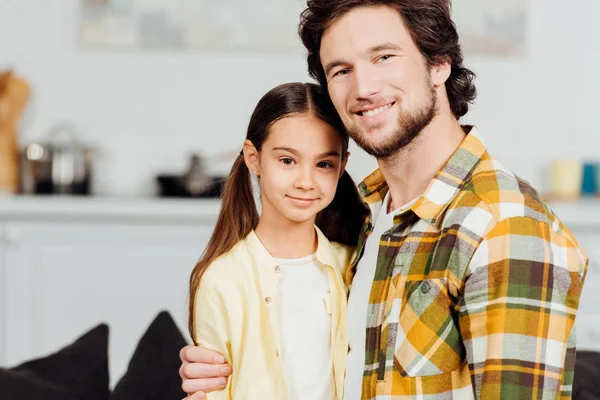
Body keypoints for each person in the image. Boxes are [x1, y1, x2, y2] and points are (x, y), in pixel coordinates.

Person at [180, 1, 589, 399]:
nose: (363, 88)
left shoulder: (505, 225)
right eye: (341, 70)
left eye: (384, 57)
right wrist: (230, 369)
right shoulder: (369, 217)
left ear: (439, 63)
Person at [187, 81, 366, 399]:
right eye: (287, 160)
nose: (305, 181)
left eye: (323, 164)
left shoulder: (354, 264)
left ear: (342, 168)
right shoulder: (221, 279)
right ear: (253, 158)